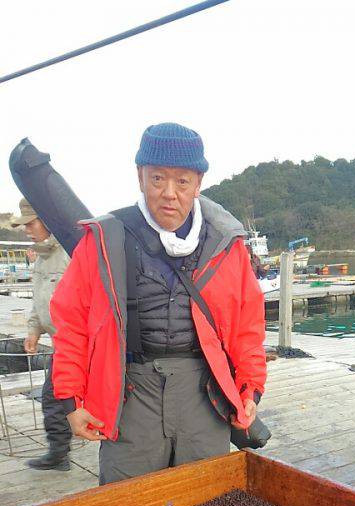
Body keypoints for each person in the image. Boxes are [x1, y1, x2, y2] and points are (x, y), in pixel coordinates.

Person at [50, 122, 266, 484]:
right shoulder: (103, 238)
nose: (169, 193)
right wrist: (71, 400)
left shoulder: (227, 245)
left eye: (182, 182)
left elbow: (248, 325)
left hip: (205, 392)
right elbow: (71, 323)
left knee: (205, 499)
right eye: (157, 179)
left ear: (198, 183)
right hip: (130, 391)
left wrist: (251, 386)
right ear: (140, 176)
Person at [10, 198, 72, 471]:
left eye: (30, 223)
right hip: (60, 345)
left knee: (59, 399)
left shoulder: (69, 253)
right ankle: (59, 454)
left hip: (78, 346)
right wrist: (33, 331)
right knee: (54, 398)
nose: (26, 230)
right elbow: (38, 301)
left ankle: (60, 454)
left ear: (47, 220)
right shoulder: (42, 259)